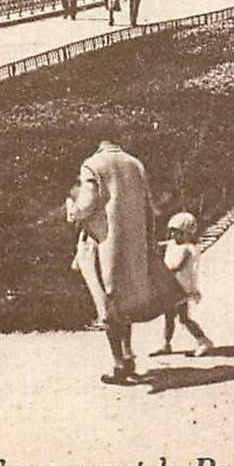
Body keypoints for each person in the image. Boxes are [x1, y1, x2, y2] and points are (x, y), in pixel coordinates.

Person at [64, 137, 181, 385]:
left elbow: (85, 207)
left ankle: (119, 364)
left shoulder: (93, 165)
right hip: (133, 244)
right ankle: (128, 357)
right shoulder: (135, 163)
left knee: (106, 303)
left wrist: (70, 207)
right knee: (124, 299)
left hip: (103, 244)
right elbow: (151, 208)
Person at [154, 212, 215, 357]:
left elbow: (176, 266)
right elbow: (160, 245)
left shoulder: (188, 249)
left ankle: (203, 340)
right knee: (169, 316)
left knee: (183, 318)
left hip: (181, 288)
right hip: (171, 287)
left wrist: (159, 271)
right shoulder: (173, 244)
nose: (175, 236)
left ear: (188, 234)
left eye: (179, 233)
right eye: (173, 232)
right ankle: (166, 343)